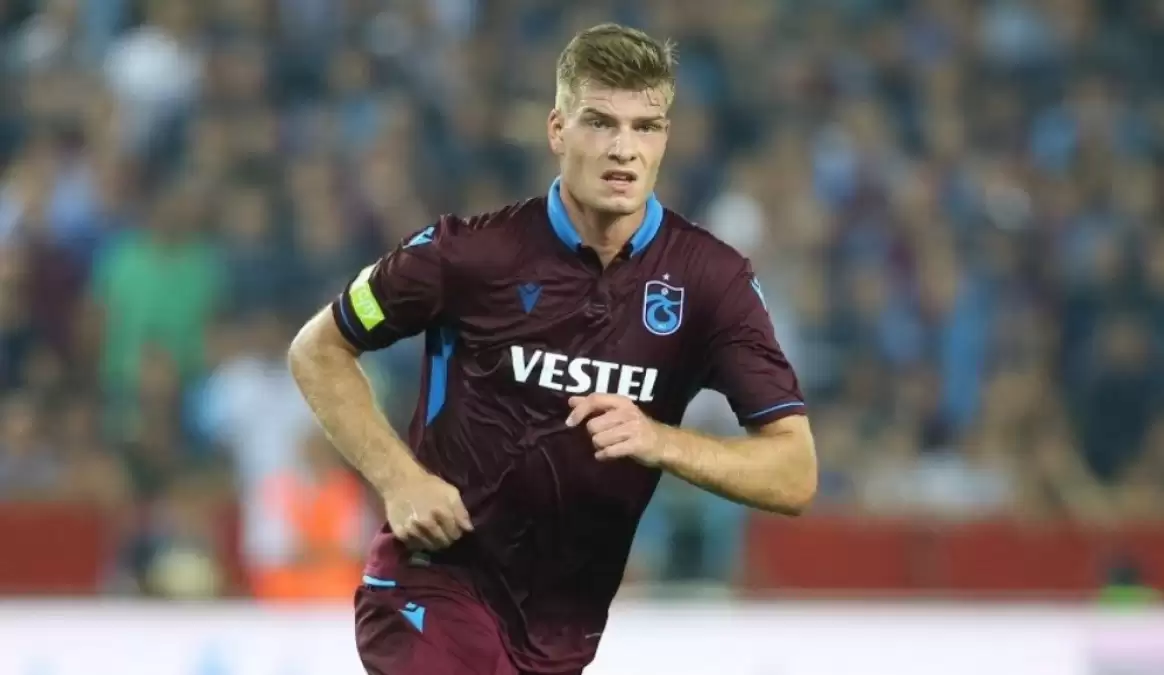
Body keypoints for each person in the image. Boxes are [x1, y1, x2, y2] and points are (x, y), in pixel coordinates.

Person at [288, 23, 817, 675]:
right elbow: (317, 349)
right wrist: (400, 479)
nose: (623, 148)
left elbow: (794, 471)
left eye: (645, 127)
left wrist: (661, 441)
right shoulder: (468, 254)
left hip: (560, 636)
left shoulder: (712, 284)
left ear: (665, 138)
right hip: (433, 586)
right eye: (600, 122)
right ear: (557, 130)